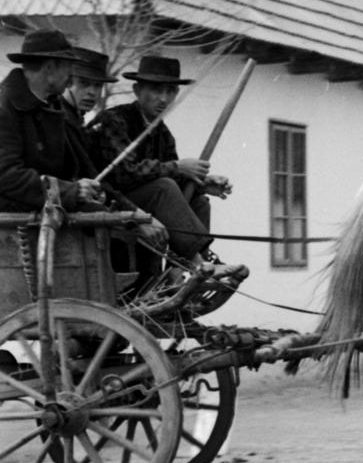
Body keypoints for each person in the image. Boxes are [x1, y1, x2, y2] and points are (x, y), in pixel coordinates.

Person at [89, 54, 237, 277]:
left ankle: (178, 273)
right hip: (112, 203)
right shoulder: (115, 120)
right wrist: (177, 168)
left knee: (200, 203)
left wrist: (202, 184)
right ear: (138, 90)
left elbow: (177, 182)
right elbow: (123, 174)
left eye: (170, 92)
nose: (163, 99)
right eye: (156, 90)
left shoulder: (162, 133)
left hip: (147, 203)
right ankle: (197, 263)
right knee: (164, 187)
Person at [0, 30, 110, 212]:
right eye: (68, 68)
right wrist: (71, 191)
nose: (70, 78)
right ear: (50, 68)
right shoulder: (4, 107)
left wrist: (86, 187)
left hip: (49, 211)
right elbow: (7, 176)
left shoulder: (52, 105)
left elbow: (73, 167)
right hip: (13, 223)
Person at [65, 47, 116, 125]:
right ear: (65, 82)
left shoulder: (75, 119)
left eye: (98, 85)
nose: (93, 92)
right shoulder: (55, 119)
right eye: (84, 83)